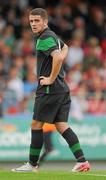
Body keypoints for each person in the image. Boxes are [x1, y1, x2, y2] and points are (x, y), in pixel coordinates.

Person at [12, 8, 90, 172]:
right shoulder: (51, 35)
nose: (33, 24)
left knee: (36, 124)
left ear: (45, 21)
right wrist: (57, 72)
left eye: (37, 20)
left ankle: (32, 164)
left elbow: (58, 57)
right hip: (62, 89)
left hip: (50, 89)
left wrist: (51, 78)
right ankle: (82, 161)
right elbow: (65, 48)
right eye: (31, 21)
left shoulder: (44, 38)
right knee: (62, 125)